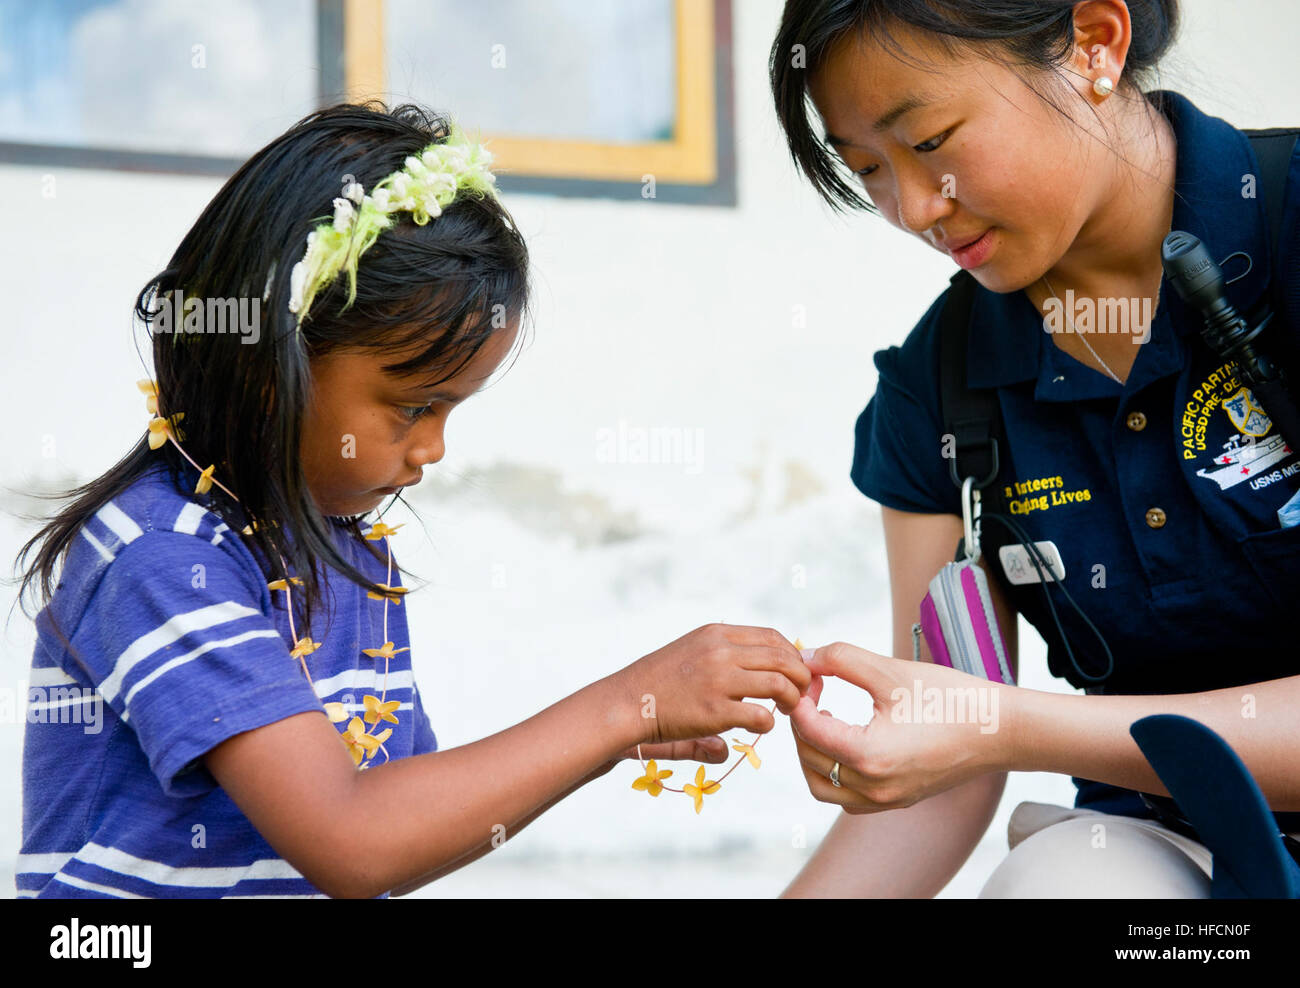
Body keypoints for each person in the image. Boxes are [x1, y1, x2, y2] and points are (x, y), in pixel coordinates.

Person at [12, 101, 810, 899]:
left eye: (452, 411)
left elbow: (411, 814)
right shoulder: (164, 555)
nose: (433, 450)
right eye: (412, 406)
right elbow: (353, 842)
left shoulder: (346, 546)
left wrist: (615, 738)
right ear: (267, 364)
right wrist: (621, 710)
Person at [768, 0, 1300, 897]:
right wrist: (956, 730)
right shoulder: (936, 389)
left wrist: (1005, 724)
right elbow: (949, 758)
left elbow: (981, 726)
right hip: (1182, 863)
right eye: (868, 170)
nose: (912, 208)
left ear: (1095, 43)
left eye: (930, 140)